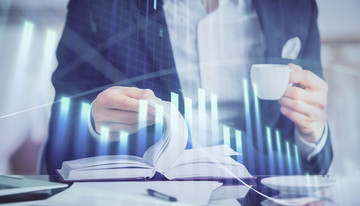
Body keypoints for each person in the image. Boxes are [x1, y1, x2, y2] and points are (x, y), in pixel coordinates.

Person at [41, 0, 332, 176]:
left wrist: (312, 134)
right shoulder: (103, 6)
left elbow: (314, 164)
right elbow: (58, 145)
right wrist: (93, 123)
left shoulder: (296, 7)